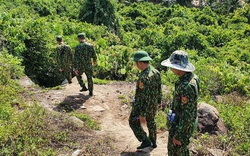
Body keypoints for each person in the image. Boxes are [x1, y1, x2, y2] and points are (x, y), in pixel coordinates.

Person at [161, 50, 200, 156]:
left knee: (176, 151)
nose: (170, 68)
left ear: (178, 67)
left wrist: (179, 135)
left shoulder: (186, 86)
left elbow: (187, 113)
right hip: (181, 125)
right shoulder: (192, 78)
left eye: (172, 65)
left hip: (181, 127)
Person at [129, 50, 162, 150]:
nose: (136, 65)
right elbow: (159, 88)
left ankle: (145, 140)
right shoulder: (156, 72)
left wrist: (142, 114)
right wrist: (159, 101)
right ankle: (153, 142)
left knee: (132, 121)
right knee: (151, 121)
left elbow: (144, 97)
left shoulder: (144, 77)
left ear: (140, 62)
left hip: (142, 106)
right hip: (152, 104)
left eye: (136, 63)